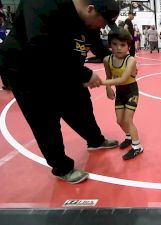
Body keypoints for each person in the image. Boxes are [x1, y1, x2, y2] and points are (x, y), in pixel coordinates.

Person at [0, 0, 121, 184]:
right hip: (28, 68)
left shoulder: (88, 19)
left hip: (64, 66)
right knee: (44, 118)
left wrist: (117, 62)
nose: (102, 26)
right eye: (102, 22)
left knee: (79, 102)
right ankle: (62, 167)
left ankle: (95, 140)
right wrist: (83, 73)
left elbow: (95, 43)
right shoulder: (43, 5)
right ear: (90, 9)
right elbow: (41, 46)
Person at [102, 29, 144, 160]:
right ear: (110, 45)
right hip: (120, 92)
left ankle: (137, 147)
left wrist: (99, 82)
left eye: (123, 45)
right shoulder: (107, 60)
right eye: (115, 44)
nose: (119, 48)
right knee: (119, 120)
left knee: (127, 119)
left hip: (131, 90)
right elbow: (109, 76)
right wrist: (108, 88)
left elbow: (123, 79)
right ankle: (128, 136)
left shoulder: (130, 60)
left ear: (128, 46)